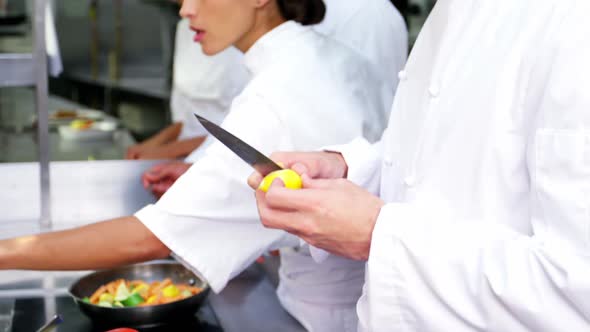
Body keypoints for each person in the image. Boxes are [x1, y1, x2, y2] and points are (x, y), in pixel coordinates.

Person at [0, 0, 395, 330]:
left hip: (316, 319)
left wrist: (6, 252)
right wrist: (203, 171)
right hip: (357, 300)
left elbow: (152, 238)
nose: (186, 9)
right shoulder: (330, 59)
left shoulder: (274, 95)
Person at [248, 0, 590, 331]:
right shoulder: (448, 13)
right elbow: (445, 159)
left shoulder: (574, 21)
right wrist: (348, 170)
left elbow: (576, 292)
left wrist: (376, 233)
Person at [141, 0, 408, 198]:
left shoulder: (367, 14)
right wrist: (198, 169)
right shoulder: (278, 56)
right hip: (303, 221)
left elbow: (380, 138)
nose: (185, 9)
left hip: (345, 242)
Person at [125, 16, 250, 160]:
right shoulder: (185, 27)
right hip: (184, 160)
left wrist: (169, 150)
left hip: (222, 159)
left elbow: (244, 132)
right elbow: (184, 118)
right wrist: (151, 145)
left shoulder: (237, 32)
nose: (184, 10)